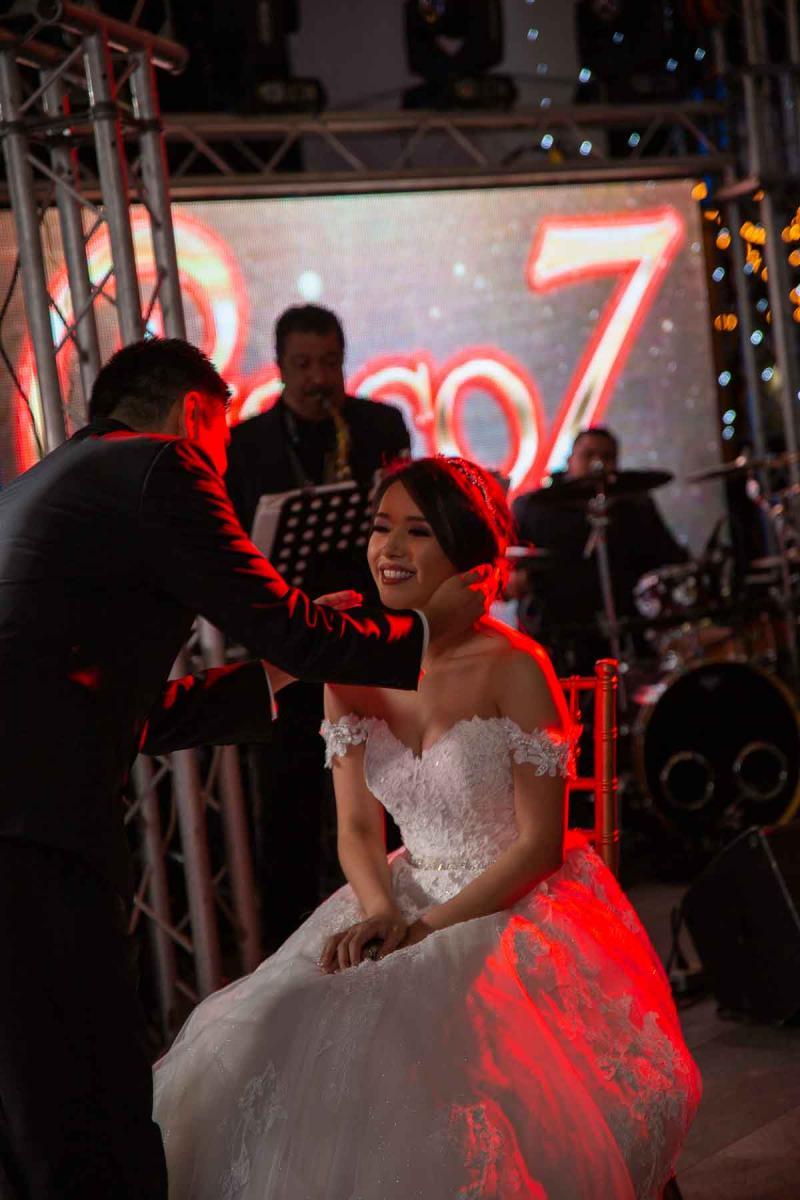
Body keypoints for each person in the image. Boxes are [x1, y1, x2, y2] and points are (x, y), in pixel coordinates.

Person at [0, 339, 489, 1200]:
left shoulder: (33, 489)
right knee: (90, 1102)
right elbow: (288, 623)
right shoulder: (164, 466)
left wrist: (278, 669)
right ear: (196, 415)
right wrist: (423, 630)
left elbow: (139, 717)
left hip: (21, 817)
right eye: (222, 446)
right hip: (30, 832)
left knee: (30, 1111)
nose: (221, 471)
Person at [153, 455, 701, 1200]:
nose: (390, 549)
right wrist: (382, 910)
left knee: (436, 1048)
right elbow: (355, 827)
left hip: (512, 900)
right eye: (382, 527)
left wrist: (427, 929)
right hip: (399, 888)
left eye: (418, 532)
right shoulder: (348, 664)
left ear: (469, 559)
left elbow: (539, 846)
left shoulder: (515, 666)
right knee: (289, 1031)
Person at [226, 304, 413, 949]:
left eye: (330, 363)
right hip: (292, 652)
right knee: (289, 815)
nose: (318, 379)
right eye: (303, 365)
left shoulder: (379, 425)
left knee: (393, 795)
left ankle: (396, 930)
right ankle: (290, 956)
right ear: (279, 366)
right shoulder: (245, 446)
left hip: (371, 643)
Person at [511, 426, 689, 674]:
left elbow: (670, 561)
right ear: (570, 460)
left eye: (607, 457)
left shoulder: (636, 507)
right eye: (589, 455)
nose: (598, 464)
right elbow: (509, 570)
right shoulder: (535, 509)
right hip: (559, 636)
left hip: (631, 631)